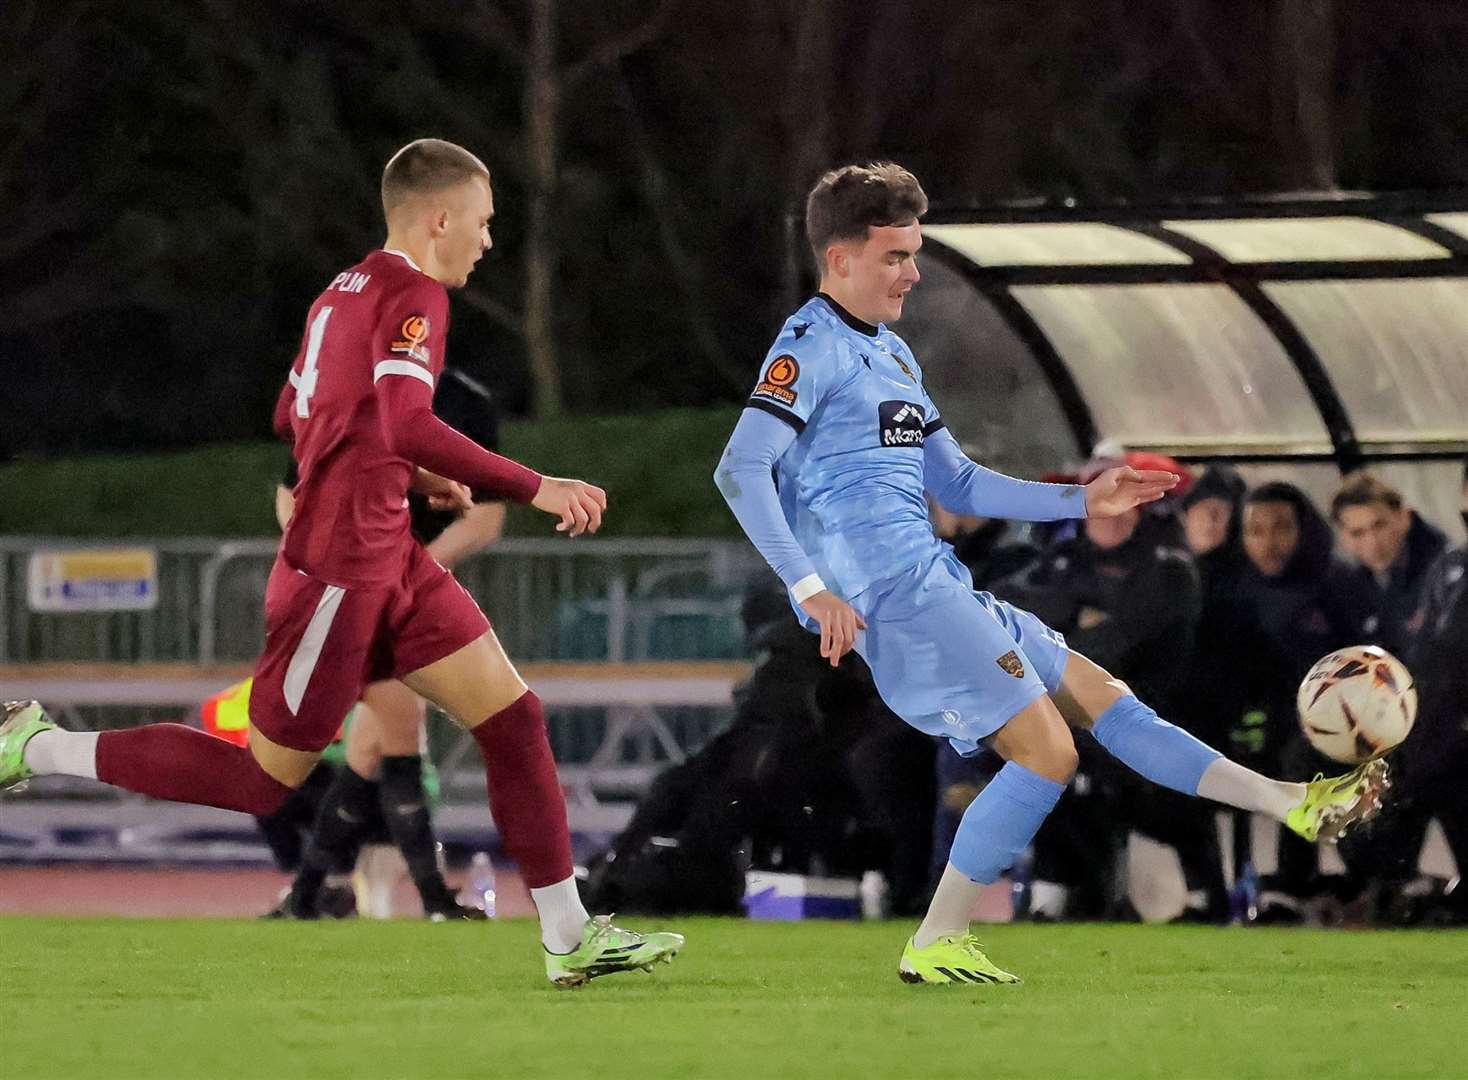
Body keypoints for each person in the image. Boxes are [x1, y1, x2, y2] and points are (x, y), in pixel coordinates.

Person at [0, 138, 681, 986]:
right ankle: (38, 747)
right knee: (259, 780)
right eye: (483, 221)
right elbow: (398, 418)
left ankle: (568, 933)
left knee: (513, 719)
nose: (488, 240)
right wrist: (531, 484)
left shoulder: (342, 289)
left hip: (385, 552)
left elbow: (299, 410)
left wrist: (414, 476)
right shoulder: (414, 293)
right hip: (337, 569)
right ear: (440, 218)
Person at [713, 161, 1387, 985]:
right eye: (895, 256)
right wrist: (808, 585)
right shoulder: (807, 347)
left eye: (915, 252)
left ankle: (1295, 803)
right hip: (899, 598)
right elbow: (741, 470)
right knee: (1048, 752)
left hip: (942, 582)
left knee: (1107, 703)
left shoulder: (890, 356)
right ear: (841, 257)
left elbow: (959, 485)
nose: (914, 272)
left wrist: (1084, 500)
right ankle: (936, 939)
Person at [272, 367, 506, 921]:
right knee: (398, 732)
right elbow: (290, 495)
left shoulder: (465, 402)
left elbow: (487, 517)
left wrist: (418, 570)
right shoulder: (345, 394)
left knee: (374, 746)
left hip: (399, 591)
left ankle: (306, 898)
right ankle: (433, 900)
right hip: (361, 592)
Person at [998, 495, 1229, 923]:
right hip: (1071, 713)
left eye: (1124, 505)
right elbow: (1007, 606)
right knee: (1042, 760)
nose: (1110, 515)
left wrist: (1064, 638)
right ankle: (1055, 895)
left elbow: (1125, 643)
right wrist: (1075, 614)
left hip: (1149, 712)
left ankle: (1199, 896)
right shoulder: (1065, 557)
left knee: (1135, 783)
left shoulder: (1167, 567)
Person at [1329, 472, 1446, 657]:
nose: (1373, 542)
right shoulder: (1349, 586)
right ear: (1343, 537)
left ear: (1404, 519)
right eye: (1357, 533)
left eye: (1380, 525)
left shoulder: (1444, 572)